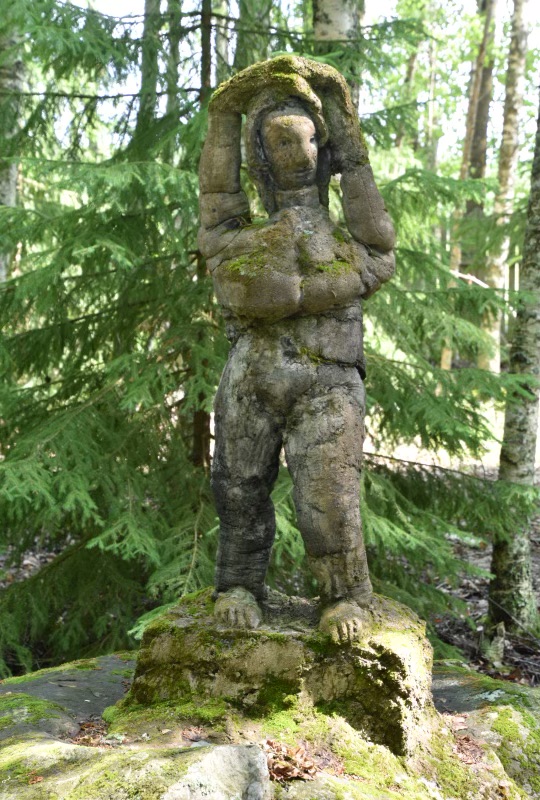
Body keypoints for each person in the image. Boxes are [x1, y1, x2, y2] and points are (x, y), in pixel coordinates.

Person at [198, 57, 395, 642]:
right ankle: (238, 586)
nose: (299, 151)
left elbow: (379, 246)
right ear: (261, 152)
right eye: (283, 140)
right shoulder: (239, 235)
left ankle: (345, 596)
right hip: (252, 379)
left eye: (309, 138)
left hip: (329, 380)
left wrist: (337, 98)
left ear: (323, 146)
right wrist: (225, 111)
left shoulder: (342, 238)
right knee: (238, 490)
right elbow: (217, 199)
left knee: (328, 498)